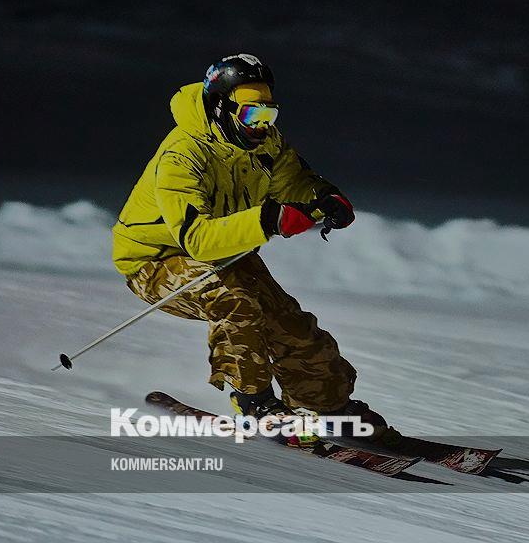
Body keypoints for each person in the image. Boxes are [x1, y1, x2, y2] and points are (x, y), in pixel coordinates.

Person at [111, 53, 391, 441]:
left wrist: (324, 197)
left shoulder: (264, 143)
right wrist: (268, 220)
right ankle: (255, 403)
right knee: (234, 301)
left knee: (287, 320)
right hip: (156, 260)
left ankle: (327, 405)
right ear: (221, 108)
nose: (261, 125)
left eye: (268, 114)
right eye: (251, 115)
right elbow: (197, 239)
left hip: (230, 249)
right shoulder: (182, 156)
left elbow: (293, 181)